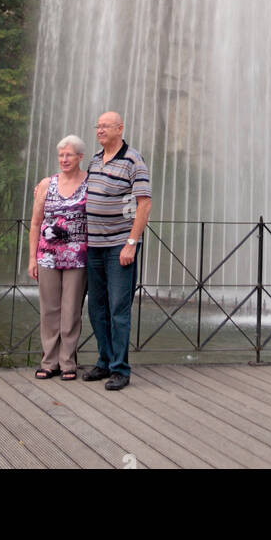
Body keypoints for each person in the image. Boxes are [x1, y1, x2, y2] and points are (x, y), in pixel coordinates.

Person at [82, 111, 152, 390]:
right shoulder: (95, 159)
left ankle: (121, 369)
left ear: (120, 128)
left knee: (118, 308)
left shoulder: (133, 159)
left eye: (105, 126)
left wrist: (131, 243)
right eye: (97, 126)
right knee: (96, 306)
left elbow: (144, 204)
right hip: (94, 245)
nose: (99, 130)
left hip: (119, 246)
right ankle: (104, 361)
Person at [28, 135, 89, 381]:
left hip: (77, 257)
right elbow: (35, 223)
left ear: (80, 157)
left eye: (69, 155)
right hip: (47, 257)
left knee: (71, 310)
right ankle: (49, 362)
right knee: (49, 309)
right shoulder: (46, 184)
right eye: (61, 155)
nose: (64, 159)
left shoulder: (90, 183)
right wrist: (32, 259)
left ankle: (68, 362)